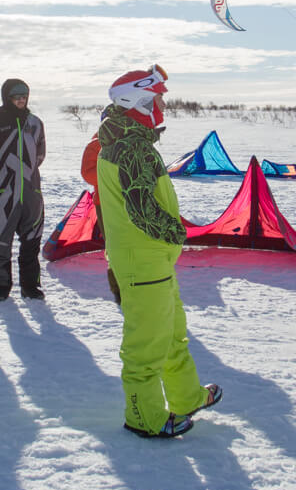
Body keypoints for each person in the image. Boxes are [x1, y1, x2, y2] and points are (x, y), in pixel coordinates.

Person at [94, 65, 220, 438]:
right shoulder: (131, 148)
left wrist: (169, 240)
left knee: (172, 334)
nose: (162, 105)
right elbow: (141, 208)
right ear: (140, 101)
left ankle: (187, 396)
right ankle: (144, 418)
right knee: (147, 345)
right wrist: (175, 232)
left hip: (153, 260)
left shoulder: (131, 142)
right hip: (142, 260)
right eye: (158, 98)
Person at [0, 78, 47, 301]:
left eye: (24, 94)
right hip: (2, 193)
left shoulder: (35, 123)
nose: (21, 99)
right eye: (16, 95)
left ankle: (30, 286)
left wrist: (26, 175)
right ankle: (1, 286)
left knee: (32, 240)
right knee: (0, 241)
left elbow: (40, 154)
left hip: (31, 192)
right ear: (6, 96)